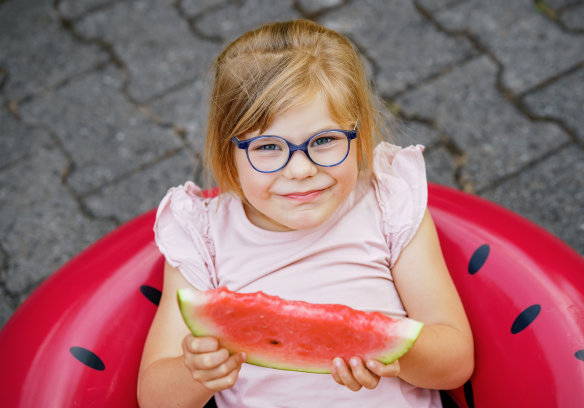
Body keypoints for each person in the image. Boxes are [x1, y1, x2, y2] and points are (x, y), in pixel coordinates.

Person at [137, 19, 473, 408]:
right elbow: (154, 398)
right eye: (267, 148)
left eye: (325, 140)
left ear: (358, 135)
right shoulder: (203, 237)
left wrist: (389, 348)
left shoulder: (386, 204)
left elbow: (456, 363)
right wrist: (195, 373)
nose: (300, 170)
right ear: (228, 152)